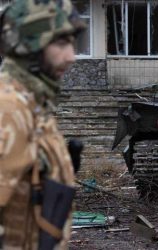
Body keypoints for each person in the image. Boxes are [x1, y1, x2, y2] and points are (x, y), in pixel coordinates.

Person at [0, 0, 85, 249]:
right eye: (60, 43)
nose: (71, 57)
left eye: (72, 43)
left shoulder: (33, 106)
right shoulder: (10, 110)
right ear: (27, 45)